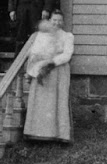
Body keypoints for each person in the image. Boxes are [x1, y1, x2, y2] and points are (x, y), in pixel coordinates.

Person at [21, 13, 73, 143]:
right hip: (41, 70)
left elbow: (67, 54)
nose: (56, 23)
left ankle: (58, 134)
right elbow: (34, 51)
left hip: (58, 70)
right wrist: (38, 62)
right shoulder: (41, 35)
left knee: (56, 102)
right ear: (50, 21)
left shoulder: (67, 36)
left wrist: (51, 62)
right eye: (54, 20)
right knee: (41, 102)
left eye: (59, 20)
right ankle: (37, 134)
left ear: (63, 22)